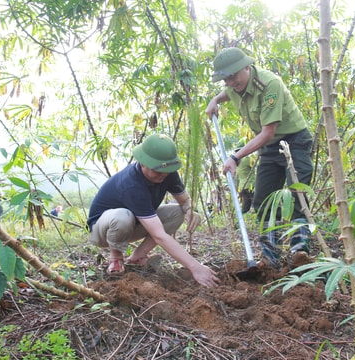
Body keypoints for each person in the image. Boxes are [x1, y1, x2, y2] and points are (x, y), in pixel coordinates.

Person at [205, 47, 313, 269]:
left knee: (297, 195)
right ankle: (269, 256)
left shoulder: (269, 85)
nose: (230, 83)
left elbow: (267, 132)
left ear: (247, 67)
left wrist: (235, 157)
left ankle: (299, 251)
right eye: (225, 80)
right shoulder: (234, 86)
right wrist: (215, 99)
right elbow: (229, 93)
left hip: (294, 142)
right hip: (269, 148)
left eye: (233, 77)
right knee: (263, 200)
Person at [87, 133, 220, 288]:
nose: (163, 175)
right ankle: (116, 257)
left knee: (177, 213)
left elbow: (184, 201)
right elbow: (159, 236)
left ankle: (137, 256)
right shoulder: (131, 184)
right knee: (123, 216)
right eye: (157, 171)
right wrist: (195, 267)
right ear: (142, 163)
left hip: (134, 224)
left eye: (166, 171)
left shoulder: (166, 172)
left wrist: (190, 209)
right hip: (102, 230)